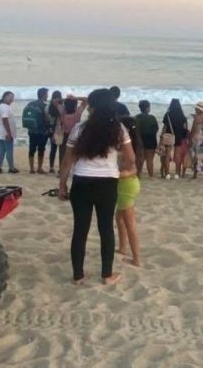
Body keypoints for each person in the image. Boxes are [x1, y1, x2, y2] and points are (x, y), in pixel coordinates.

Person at [58, 88, 134, 286]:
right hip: (107, 183)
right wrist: (118, 169)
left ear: (92, 106)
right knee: (106, 228)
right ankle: (106, 275)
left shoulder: (79, 128)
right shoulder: (118, 129)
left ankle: (78, 276)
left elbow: (68, 160)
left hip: (82, 181)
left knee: (80, 229)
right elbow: (131, 158)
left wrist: (62, 184)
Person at [115, 117, 141, 267]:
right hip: (125, 185)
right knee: (118, 218)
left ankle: (136, 259)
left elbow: (131, 170)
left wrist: (112, 174)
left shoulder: (129, 149)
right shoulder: (126, 145)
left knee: (129, 224)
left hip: (126, 185)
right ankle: (123, 248)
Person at [23, 87, 51, 174]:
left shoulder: (30, 104)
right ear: (43, 95)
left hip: (32, 130)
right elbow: (47, 119)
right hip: (42, 131)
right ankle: (39, 168)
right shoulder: (45, 106)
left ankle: (31, 169)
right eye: (46, 94)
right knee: (41, 149)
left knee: (32, 149)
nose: (47, 96)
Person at [161, 99, 188, 179]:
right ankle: (177, 173)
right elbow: (185, 128)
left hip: (169, 135)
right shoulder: (182, 116)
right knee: (177, 155)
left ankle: (167, 174)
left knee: (167, 155)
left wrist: (161, 136)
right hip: (179, 136)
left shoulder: (167, 115)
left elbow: (165, 127)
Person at [0, 91, 19, 174]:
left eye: (12, 97)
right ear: (4, 97)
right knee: (9, 150)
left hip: (1, 131)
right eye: (10, 97)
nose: (11, 99)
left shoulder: (3, 106)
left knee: (2, 150)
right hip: (5, 132)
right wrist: (9, 133)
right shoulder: (4, 107)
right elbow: (5, 120)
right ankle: (11, 168)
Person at [134, 100, 159, 178]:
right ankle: (150, 176)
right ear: (147, 108)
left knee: (139, 159)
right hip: (151, 140)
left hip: (139, 140)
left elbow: (134, 130)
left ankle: (137, 175)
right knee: (150, 160)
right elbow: (156, 129)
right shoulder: (152, 118)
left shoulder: (136, 117)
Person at [46, 91, 64, 174]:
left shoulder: (48, 107)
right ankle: (60, 168)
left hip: (51, 128)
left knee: (53, 149)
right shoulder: (62, 107)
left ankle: (51, 167)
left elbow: (46, 119)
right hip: (59, 129)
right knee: (60, 150)